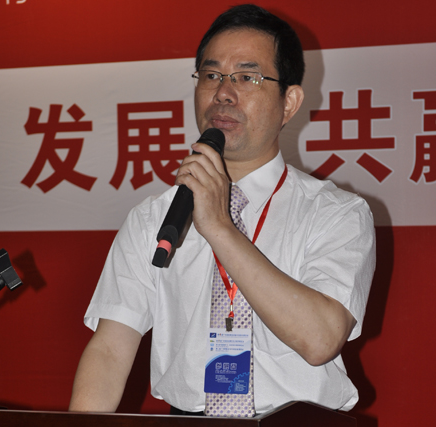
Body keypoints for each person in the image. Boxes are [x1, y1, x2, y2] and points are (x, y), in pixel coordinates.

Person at [69, 4, 375, 416]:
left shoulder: (336, 213)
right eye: (211, 75)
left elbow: (320, 340)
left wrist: (218, 226)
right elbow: (109, 350)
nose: (223, 93)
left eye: (247, 77)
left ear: (289, 102)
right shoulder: (154, 217)